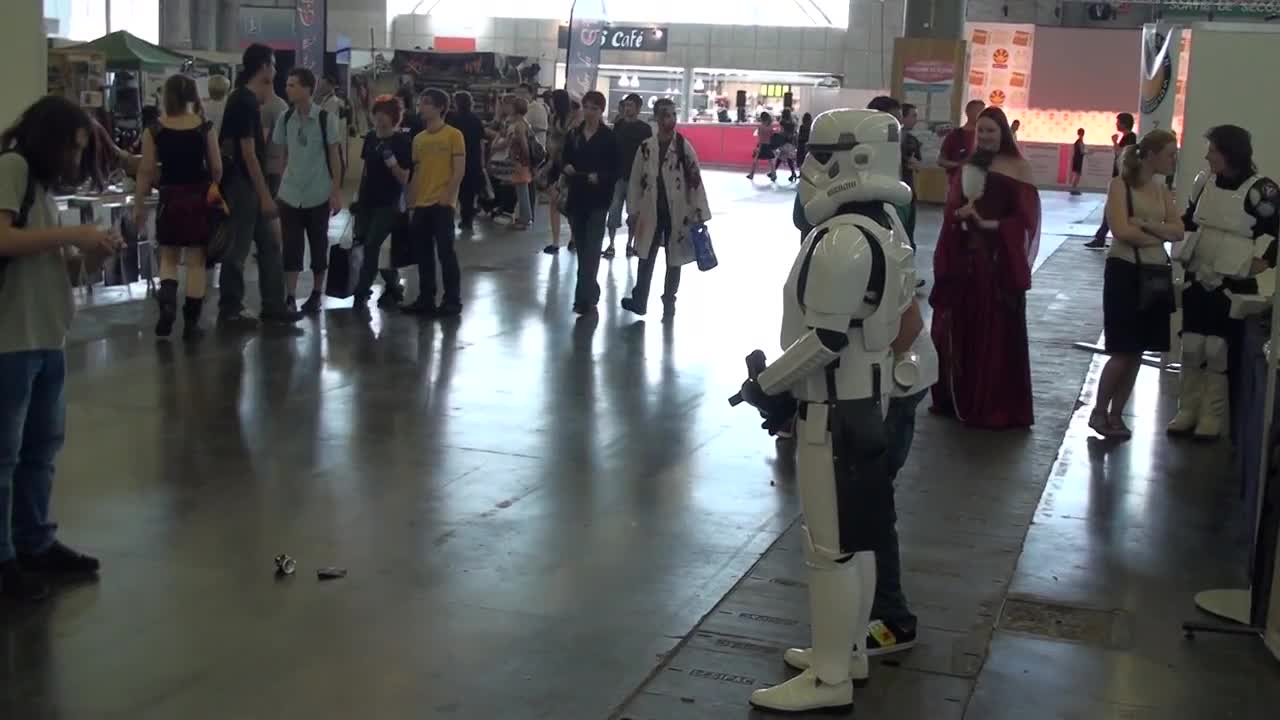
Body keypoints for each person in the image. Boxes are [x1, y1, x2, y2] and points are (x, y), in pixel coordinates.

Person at [733, 107, 921, 713]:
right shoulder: (886, 223)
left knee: (831, 547)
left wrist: (768, 382)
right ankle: (847, 655)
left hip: (835, 409)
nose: (812, 165)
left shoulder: (844, 237)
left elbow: (826, 340)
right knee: (858, 539)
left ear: (853, 158)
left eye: (821, 153)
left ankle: (832, 676)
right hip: (868, 401)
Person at [0, 96, 121, 602]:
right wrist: (73, 233)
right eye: (71, 148)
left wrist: (88, 257)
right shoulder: (12, 168)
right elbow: (4, 239)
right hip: (12, 339)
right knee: (5, 455)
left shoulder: (42, 189)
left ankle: (33, 541)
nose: (75, 161)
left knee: (39, 450)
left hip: (46, 336)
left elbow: (52, 263)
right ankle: (4, 558)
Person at [930, 107, 1039, 429]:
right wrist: (958, 217)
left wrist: (988, 223)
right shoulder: (969, 166)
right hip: (966, 263)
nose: (987, 136)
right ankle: (960, 396)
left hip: (997, 266)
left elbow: (1026, 220)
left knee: (995, 332)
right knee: (962, 329)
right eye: (982, 131)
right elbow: (951, 211)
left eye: (992, 130)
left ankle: (992, 402)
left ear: (1004, 132)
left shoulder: (1020, 167)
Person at [1168, 125, 1279, 440]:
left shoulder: (1262, 190)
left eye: (1213, 150)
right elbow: (1190, 221)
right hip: (1198, 278)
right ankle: (1186, 409)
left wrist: (1256, 264)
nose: (1207, 156)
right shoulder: (1203, 182)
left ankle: (1212, 416)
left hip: (1233, 285)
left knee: (1219, 349)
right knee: (1191, 345)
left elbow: (1272, 233)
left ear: (1231, 152)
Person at [1086, 129, 1181, 440]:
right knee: (1123, 349)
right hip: (1125, 273)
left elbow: (1178, 231)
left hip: (1153, 274)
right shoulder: (1119, 185)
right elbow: (1121, 231)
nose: (1174, 159)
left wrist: (1146, 225)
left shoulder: (1162, 189)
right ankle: (1099, 411)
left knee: (1138, 351)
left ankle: (1116, 414)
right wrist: (1159, 234)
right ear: (1151, 155)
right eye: (1170, 153)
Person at [217, 43, 301, 327]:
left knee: (269, 244)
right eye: (273, 65)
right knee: (238, 248)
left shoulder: (245, 100)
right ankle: (230, 308)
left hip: (247, 183)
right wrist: (265, 195)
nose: (275, 71)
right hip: (244, 185)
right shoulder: (244, 101)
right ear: (264, 66)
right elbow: (248, 152)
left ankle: (274, 304)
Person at [134, 73, 223, 340]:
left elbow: (145, 170)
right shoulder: (204, 127)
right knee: (196, 261)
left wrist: (139, 205)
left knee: (169, 257)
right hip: (198, 198)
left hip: (169, 199)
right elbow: (217, 168)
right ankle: (192, 323)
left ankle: (168, 303)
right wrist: (213, 184)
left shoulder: (154, 130)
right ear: (193, 96)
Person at [621, 98, 710, 320]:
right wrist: (632, 210)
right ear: (657, 118)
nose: (669, 119)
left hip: (677, 212)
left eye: (672, 114)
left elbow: (695, 180)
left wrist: (699, 213)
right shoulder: (646, 148)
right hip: (651, 211)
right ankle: (640, 299)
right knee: (645, 256)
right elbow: (634, 181)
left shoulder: (683, 147)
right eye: (664, 114)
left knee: (674, 257)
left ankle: (669, 299)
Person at [273, 67, 343, 314]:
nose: (287, 89)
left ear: (307, 88)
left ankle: (316, 293)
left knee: (318, 245)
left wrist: (335, 192)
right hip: (290, 194)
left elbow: (335, 158)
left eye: (293, 85)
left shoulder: (326, 119)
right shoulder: (284, 119)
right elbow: (280, 156)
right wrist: (280, 186)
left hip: (318, 192)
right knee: (291, 247)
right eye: (288, 84)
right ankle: (290, 296)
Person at [403, 88, 466, 317]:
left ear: (440, 107)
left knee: (446, 253)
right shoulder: (418, 139)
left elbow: (459, 170)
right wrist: (411, 202)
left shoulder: (453, 135)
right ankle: (425, 298)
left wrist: (447, 196)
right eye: (421, 102)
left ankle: (452, 300)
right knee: (423, 254)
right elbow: (417, 172)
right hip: (421, 204)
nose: (422, 106)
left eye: (427, 103)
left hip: (442, 205)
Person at [561, 90, 618, 315]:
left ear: (601, 111)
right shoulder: (574, 134)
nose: (590, 112)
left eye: (594, 108)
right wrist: (566, 167)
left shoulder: (609, 137)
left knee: (592, 249)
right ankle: (590, 292)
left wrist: (601, 177)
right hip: (576, 197)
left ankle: (582, 299)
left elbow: (616, 169)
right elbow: (564, 157)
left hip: (598, 199)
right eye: (587, 107)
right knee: (583, 249)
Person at [353, 95, 412, 308]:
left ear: (394, 117)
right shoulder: (370, 138)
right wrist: (357, 198)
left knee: (372, 245)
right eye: (376, 114)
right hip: (368, 200)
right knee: (364, 243)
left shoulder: (401, 141)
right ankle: (394, 285)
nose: (379, 119)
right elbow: (365, 171)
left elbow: (404, 177)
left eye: (385, 115)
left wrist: (392, 162)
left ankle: (361, 291)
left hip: (389, 202)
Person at [607, 92, 651, 260]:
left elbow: (648, 154)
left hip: (636, 178)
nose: (627, 109)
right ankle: (611, 243)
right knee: (613, 211)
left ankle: (630, 243)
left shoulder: (645, 129)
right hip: (618, 176)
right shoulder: (618, 126)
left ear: (638, 108)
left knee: (633, 214)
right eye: (625, 106)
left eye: (630, 106)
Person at [1085, 112, 1138, 250]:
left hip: (1122, 177)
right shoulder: (1126, 137)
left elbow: (1121, 153)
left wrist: (1114, 142)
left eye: (1118, 121)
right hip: (1118, 176)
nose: (1116, 124)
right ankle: (1101, 236)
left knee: (1112, 207)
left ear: (1124, 123)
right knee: (1111, 207)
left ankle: (1102, 236)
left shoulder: (1130, 137)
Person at [446, 91, 487, 233]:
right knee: (468, 194)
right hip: (473, 159)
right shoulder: (476, 119)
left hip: (455, 158)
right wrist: (482, 162)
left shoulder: (451, 119)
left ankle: (447, 220)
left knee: (452, 191)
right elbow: (481, 142)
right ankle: (467, 221)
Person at [543, 89, 574, 254]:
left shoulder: (572, 118)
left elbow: (561, 141)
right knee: (555, 202)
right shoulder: (554, 117)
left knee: (565, 204)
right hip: (555, 164)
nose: (550, 103)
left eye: (552, 100)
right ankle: (556, 242)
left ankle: (571, 238)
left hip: (566, 164)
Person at [938, 99, 984, 194]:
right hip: (957, 186)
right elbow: (941, 161)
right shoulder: (955, 135)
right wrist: (960, 165)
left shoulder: (986, 136)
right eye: (979, 111)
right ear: (968, 112)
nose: (983, 115)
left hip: (980, 186)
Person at [315, 75, 348, 180]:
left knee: (334, 161)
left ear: (330, 86)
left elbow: (325, 118)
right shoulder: (326, 99)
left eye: (322, 84)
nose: (320, 87)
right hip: (330, 138)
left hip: (332, 138)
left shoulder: (333, 101)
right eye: (319, 84)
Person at [260, 86, 288, 197]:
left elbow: (263, 139)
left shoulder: (266, 107)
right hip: (280, 160)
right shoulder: (283, 104)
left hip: (268, 162)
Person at [517, 83, 548, 149]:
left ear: (531, 94)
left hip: (535, 149)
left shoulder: (538, 108)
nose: (521, 96)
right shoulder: (521, 108)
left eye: (524, 93)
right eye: (519, 93)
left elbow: (540, 129)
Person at [746, 112, 775, 181]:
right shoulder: (770, 127)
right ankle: (774, 174)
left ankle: (751, 174)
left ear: (762, 119)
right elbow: (772, 136)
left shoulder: (760, 127)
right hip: (768, 145)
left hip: (761, 145)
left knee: (755, 161)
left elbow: (759, 136)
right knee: (771, 161)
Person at [1070, 128, 1086, 196]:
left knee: (1076, 175)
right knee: (1077, 175)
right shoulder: (1080, 142)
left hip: (1076, 158)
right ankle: (1073, 189)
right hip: (1078, 159)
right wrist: (1090, 152)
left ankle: (1073, 189)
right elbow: (1082, 152)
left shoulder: (1078, 141)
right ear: (1083, 133)